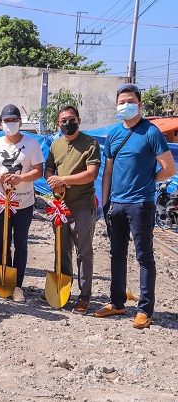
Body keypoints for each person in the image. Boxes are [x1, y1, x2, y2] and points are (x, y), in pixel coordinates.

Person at [95, 84, 176, 328]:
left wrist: (149, 180)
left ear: (139, 104)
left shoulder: (151, 132)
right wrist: (107, 202)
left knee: (144, 256)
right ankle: (117, 303)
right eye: (121, 101)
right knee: (116, 254)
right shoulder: (113, 134)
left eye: (130, 101)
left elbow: (169, 168)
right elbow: (107, 171)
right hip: (116, 204)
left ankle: (144, 310)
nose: (125, 105)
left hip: (141, 204)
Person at [0, 104, 44, 302]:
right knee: (1, 242)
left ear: (20, 121)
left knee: (21, 243)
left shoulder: (31, 144)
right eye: (7, 121)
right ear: (0, 123)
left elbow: (38, 170)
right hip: (1, 201)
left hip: (23, 202)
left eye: (14, 120)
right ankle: (4, 283)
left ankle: (17, 285)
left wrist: (22, 178)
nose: (10, 124)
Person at [44, 106, 100, 314]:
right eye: (63, 120)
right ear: (58, 123)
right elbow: (49, 168)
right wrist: (52, 181)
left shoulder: (90, 144)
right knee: (61, 248)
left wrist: (63, 179)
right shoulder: (56, 145)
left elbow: (91, 174)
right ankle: (63, 288)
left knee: (83, 251)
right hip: (61, 205)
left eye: (71, 119)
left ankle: (84, 296)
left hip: (82, 205)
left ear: (79, 120)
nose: (68, 123)